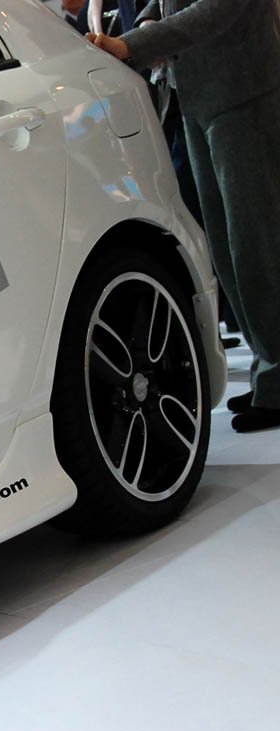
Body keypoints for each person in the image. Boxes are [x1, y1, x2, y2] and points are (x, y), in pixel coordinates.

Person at [87, 0, 280, 433]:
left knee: (256, 242)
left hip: (242, 92)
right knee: (229, 249)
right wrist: (147, 20)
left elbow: (218, 9)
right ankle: (270, 371)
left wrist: (132, 43)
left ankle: (277, 378)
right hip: (197, 97)